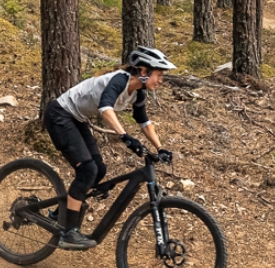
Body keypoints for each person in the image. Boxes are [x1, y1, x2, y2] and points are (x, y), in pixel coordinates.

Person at [41, 46, 177, 251]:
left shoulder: (138, 93)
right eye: (159, 75)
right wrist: (124, 136)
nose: (161, 80)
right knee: (88, 171)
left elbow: (144, 122)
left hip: (76, 118)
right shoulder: (120, 80)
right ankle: (69, 233)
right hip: (60, 115)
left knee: (99, 170)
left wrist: (161, 148)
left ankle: (61, 214)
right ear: (143, 71)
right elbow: (105, 108)